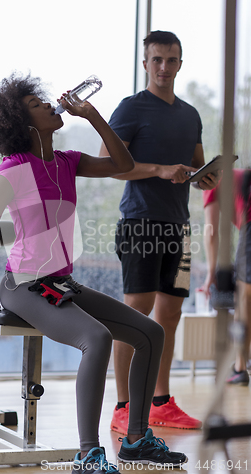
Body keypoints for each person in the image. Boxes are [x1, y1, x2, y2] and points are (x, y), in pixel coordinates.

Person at [0, 72, 188, 471]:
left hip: (60, 282)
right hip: (21, 284)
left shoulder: (68, 162)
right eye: (38, 105)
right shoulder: (11, 171)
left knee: (151, 332)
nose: (50, 105)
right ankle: (88, 453)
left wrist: (92, 117)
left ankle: (137, 439)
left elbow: (122, 164)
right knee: (97, 337)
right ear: (24, 124)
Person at [99, 30, 220, 434]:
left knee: (170, 314)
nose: (164, 68)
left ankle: (160, 402)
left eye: (171, 60)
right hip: (140, 223)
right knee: (135, 313)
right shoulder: (131, 108)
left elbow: (196, 165)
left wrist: (204, 178)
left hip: (179, 228)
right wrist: (158, 169)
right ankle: (122, 406)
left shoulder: (190, 114)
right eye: (157, 60)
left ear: (180, 63)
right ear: (145, 63)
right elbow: (108, 164)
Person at [201, 168, 251, 385]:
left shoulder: (209, 182)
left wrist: (212, 273)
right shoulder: (239, 174)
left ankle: (240, 368)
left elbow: (211, 230)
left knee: (244, 300)